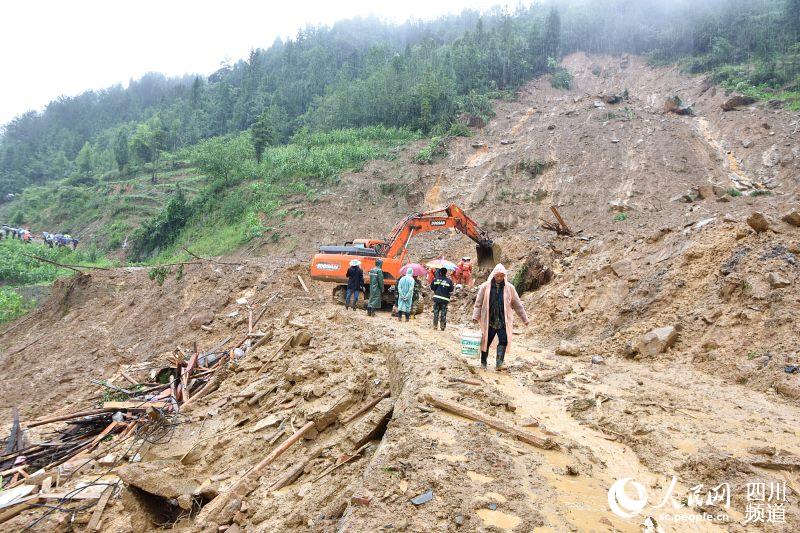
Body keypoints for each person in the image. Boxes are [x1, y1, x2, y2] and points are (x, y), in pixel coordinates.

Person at [472, 264, 529, 371]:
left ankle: (499, 363)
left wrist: (525, 319)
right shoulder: (485, 287)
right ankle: (483, 362)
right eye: (497, 276)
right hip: (489, 320)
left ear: (504, 276)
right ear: (494, 275)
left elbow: (517, 305)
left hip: (503, 320)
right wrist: (476, 316)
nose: (499, 278)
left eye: (501, 276)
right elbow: (478, 303)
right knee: (486, 342)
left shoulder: (510, 288)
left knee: (503, 340)